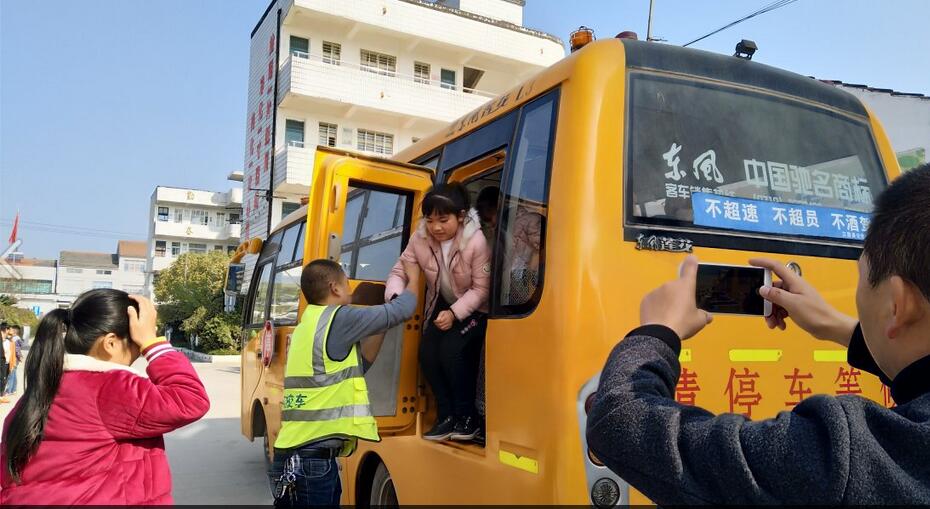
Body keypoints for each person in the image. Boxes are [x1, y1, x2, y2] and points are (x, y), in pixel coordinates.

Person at [586, 164, 930, 505]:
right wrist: (834, 325)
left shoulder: (844, 464)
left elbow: (618, 422)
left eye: (861, 276)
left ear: (897, 306)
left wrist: (657, 333)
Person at [0, 290, 210, 505]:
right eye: (138, 341)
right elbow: (190, 399)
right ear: (110, 343)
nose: (140, 351)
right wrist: (155, 345)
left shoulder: (40, 390)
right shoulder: (108, 387)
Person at [269, 258, 419, 507]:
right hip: (312, 462)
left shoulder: (310, 323)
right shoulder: (339, 318)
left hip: (294, 455)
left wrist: (379, 323)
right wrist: (414, 278)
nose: (349, 289)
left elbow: (359, 365)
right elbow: (400, 312)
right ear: (335, 288)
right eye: (346, 284)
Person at [384, 182, 491, 442]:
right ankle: (447, 417)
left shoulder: (476, 241)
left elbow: (482, 289)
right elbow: (400, 270)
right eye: (430, 220)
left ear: (461, 216)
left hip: (477, 309)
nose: (436, 227)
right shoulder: (420, 239)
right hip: (443, 304)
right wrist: (396, 298)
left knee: (451, 351)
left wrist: (454, 313)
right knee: (427, 354)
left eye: (443, 220)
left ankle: (468, 418)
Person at [2, 326, 17, 397]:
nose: (9, 335)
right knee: (12, 376)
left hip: (10, 362)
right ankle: (12, 390)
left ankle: (8, 391)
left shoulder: (12, 342)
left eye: (10, 334)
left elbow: (13, 354)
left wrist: (13, 363)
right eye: (8, 334)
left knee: (10, 376)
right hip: (7, 362)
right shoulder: (6, 341)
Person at [0, 323, 9, 404]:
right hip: (1, 360)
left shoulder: (4, 338)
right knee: (2, 378)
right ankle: (1, 396)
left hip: (3, 360)